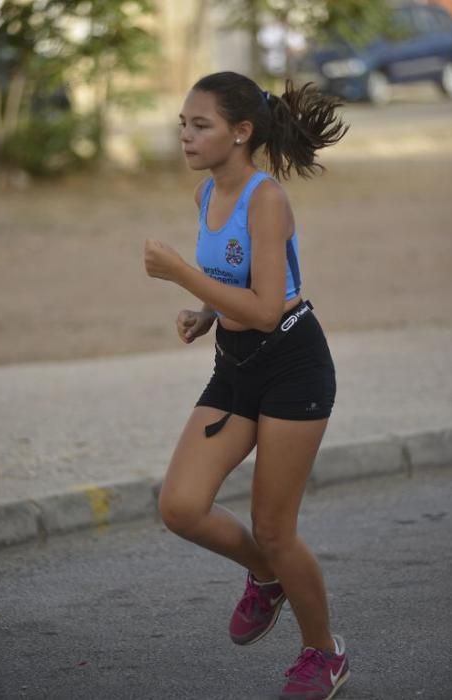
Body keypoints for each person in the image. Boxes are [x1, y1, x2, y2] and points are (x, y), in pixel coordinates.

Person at [144, 71, 349, 700]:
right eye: (183, 123)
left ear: (241, 132)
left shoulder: (267, 200)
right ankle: (266, 577)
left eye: (199, 125)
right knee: (180, 506)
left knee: (274, 527)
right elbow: (238, 285)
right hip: (235, 365)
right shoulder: (209, 195)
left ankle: (324, 654)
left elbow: (266, 308)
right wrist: (206, 314)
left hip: (292, 366)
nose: (186, 135)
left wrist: (182, 276)